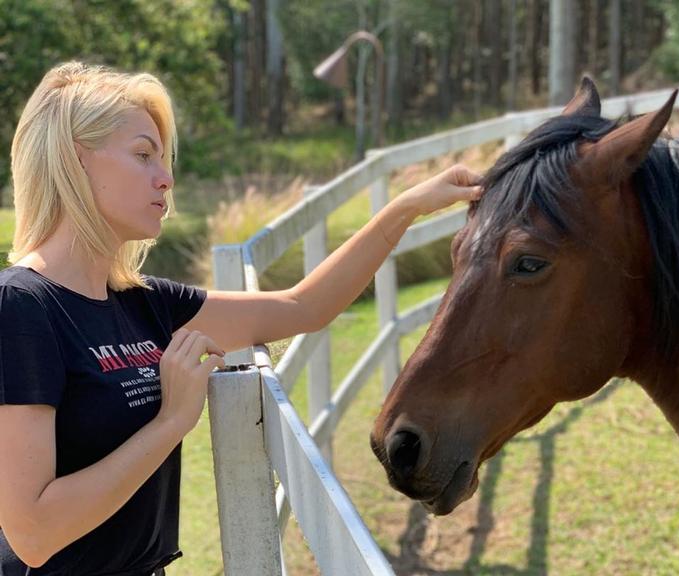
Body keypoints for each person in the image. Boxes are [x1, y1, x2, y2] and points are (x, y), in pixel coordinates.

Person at [0, 61, 482, 575]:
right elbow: (33, 532)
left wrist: (405, 208)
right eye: (144, 155)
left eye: (163, 159)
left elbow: (303, 307)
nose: (166, 179)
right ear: (76, 161)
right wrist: (171, 422)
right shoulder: (23, 307)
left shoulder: (144, 304)